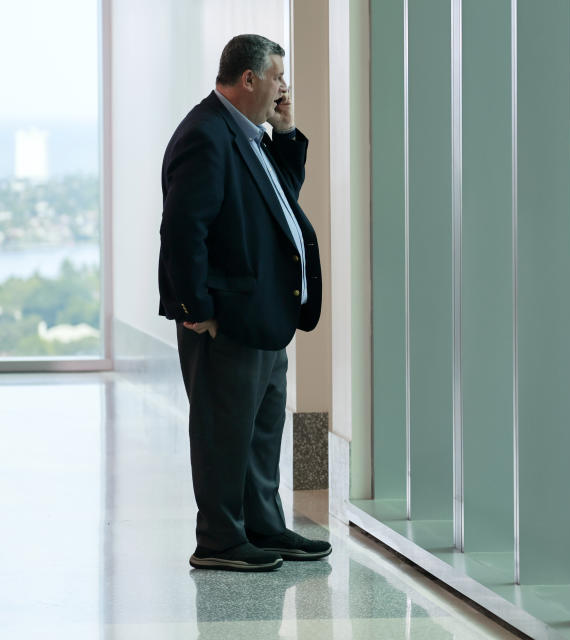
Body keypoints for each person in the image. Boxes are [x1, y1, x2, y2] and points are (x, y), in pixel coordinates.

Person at [158, 34, 329, 572]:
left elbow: (281, 200)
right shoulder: (206, 135)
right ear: (249, 79)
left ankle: (261, 526)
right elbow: (184, 231)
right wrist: (194, 308)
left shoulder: (249, 135)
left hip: (262, 317)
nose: (285, 87)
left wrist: (283, 133)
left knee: (259, 430)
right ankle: (218, 539)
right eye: (278, 76)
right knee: (222, 430)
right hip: (223, 319)